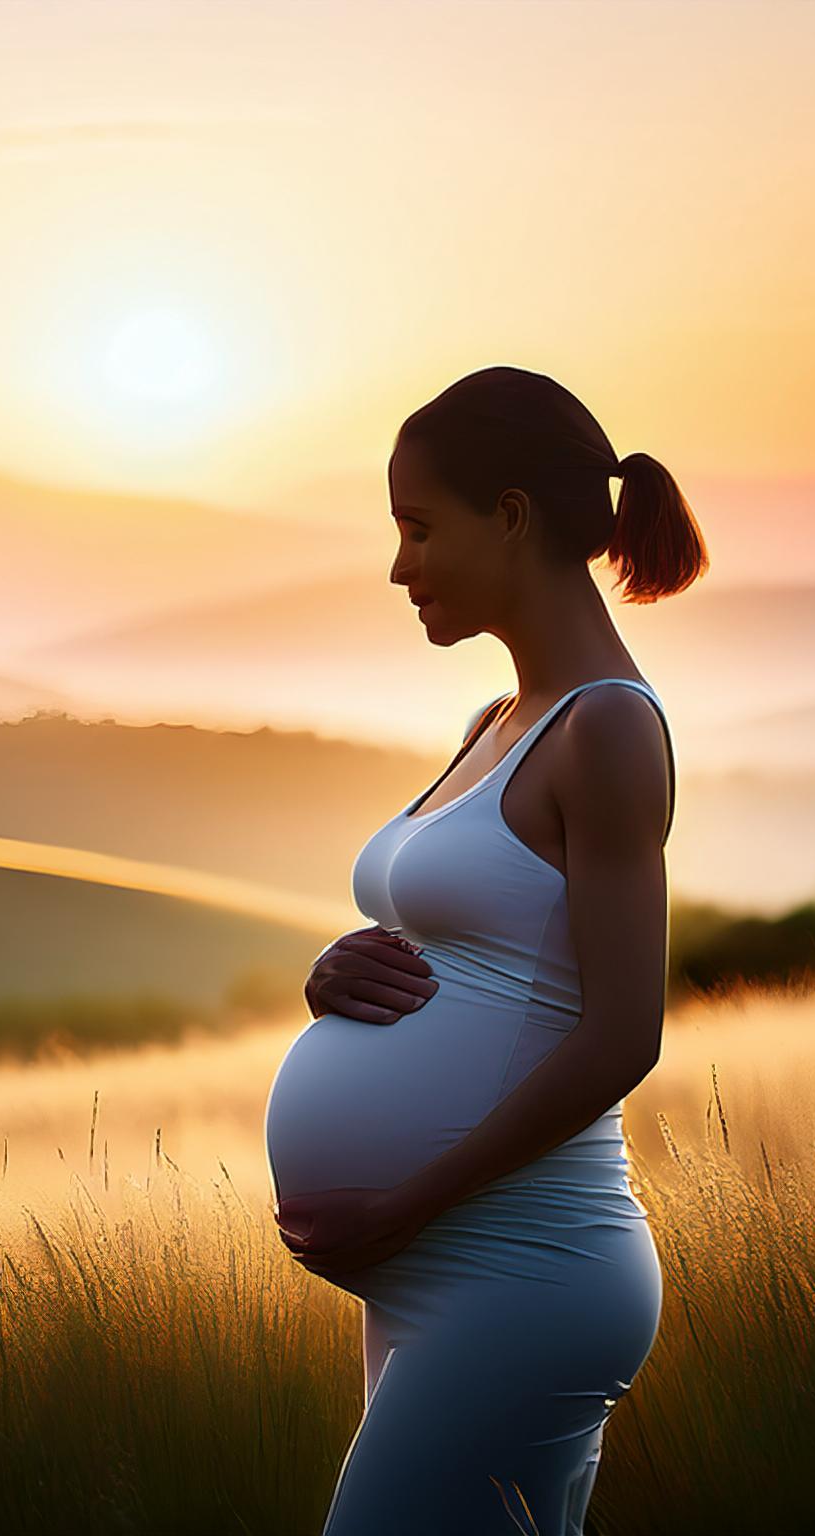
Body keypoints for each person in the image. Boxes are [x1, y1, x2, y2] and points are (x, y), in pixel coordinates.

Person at [261, 365, 710, 1534]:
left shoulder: (606, 726)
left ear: (509, 516)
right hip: (437, 1273)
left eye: (418, 527)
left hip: (525, 1265)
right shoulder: (495, 723)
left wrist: (409, 1203)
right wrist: (331, 978)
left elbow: (623, 1033)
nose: (400, 565)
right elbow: (469, 942)